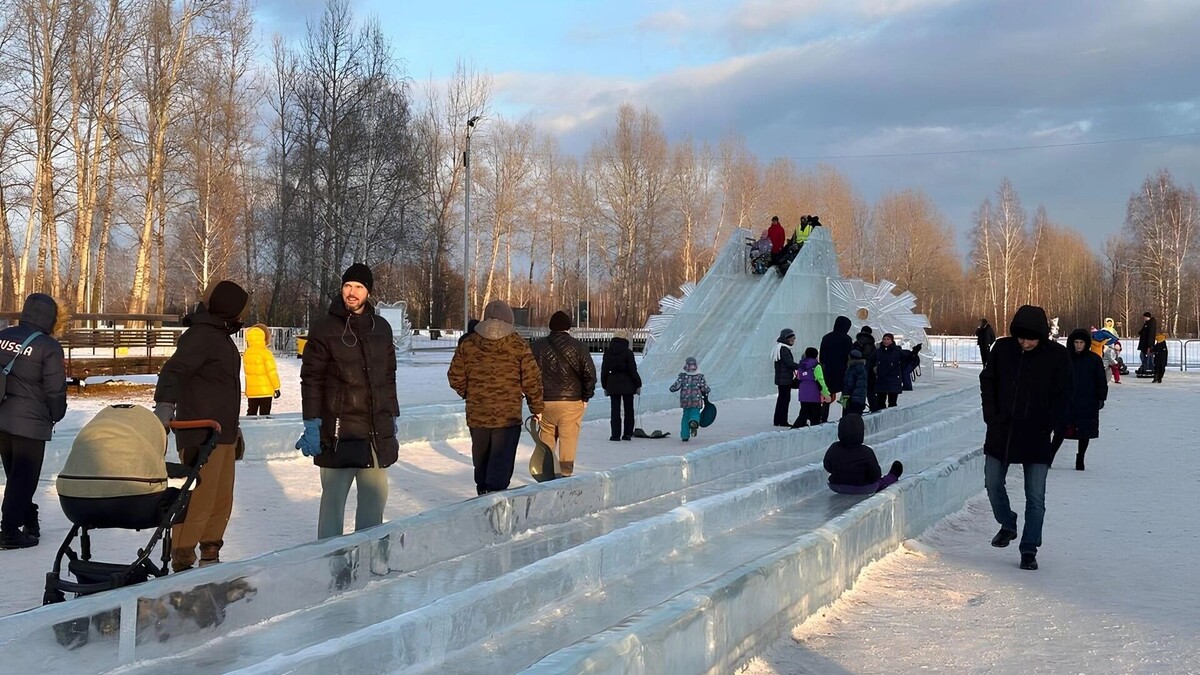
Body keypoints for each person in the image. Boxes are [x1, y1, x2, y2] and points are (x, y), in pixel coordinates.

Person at [296, 264, 400, 539]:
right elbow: (311, 379)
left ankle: (368, 556)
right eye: (348, 286)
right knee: (333, 504)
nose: (352, 292)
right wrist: (312, 422)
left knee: (374, 502)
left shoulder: (381, 328)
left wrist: (391, 415)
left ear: (369, 292)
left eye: (359, 287)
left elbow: (388, 377)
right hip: (338, 432)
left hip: (374, 432)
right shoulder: (324, 328)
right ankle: (331, 558)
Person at [154, 280, 249, 570]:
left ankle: (210, 553)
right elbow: (173, 372)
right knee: (198, 499)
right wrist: (164, 409)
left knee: (220, 500)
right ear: (229, 307)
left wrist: (233, 427)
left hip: (222, 433)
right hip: (200, 433)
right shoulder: (201, 335)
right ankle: (182, 558)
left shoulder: (219, 335)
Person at [980, 304, 1073, 571]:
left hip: (1037, 434)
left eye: (1031, 339)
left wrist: (1051, 424)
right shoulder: (1002, 349)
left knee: (1035, 497)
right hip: (1002, 431)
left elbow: (1065, 393)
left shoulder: (1057, 355)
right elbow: (988, 381)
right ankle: (1007, 523)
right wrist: (992, 415)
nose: (1025, 343)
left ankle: (1029, 548)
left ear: (1041, 336)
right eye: (1021, 338)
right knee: (992, 482)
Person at [448, 299, 544, 494]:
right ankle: (496, 497)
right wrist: (537, 408)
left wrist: (470, 394)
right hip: (507, 416)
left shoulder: (468, 344)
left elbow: (455, 376)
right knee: (501, 461)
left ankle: (483, 491)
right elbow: (531, 380)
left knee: (481, 459)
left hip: (478, 414)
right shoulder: (518, 344)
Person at [0, 294, 67, 550]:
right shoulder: (48, 347)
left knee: (15, 476)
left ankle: (29, 519)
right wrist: (57, 413)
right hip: (31, 422)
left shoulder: (3, 336)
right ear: (51, 317)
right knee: (23, 479)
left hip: (2, 417)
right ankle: (9, 532)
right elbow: (55, 389)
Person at [531, 311, 596, 477]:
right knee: (568, 440)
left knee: (546, 438)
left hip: (545, 401)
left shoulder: (537, 346)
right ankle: (566, 475)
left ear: (550, 326)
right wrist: (586, 397)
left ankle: (547, 473)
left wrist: (534, 401)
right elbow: (589, 374)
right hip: (571, 401)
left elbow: (530, 376)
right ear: (568, 327)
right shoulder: (579, 347)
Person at [1051, 329, 1108, 471]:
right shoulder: (1065, 358)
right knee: (1060, 430)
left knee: (1084, 431)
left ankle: (1080, 457)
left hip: (1087, 400)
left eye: (1081, 342)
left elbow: (1101, 379)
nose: (1078, 345)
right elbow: (1055, 377)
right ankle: (1049, 456)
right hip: (1067, 399)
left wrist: (1101, 397)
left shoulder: (1094, 359)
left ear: (1086, 343)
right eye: (1076, 342)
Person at [823, 413, 903, 494]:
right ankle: (892, 476)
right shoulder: (866, 452)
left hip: (836, 485)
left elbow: (827, 466)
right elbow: (876, 475)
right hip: (863, 488)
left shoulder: (834, 448)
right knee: (879, 482)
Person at [601, 330, 641, 441]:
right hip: (628, 383)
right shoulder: (628, 353)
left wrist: (605, 385)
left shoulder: (608, 353)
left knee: (615, 410)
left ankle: (615, 435)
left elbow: (604, 371)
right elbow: (632, 370)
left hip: (612, 383)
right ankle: (627, 434)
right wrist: (638, 384)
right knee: (629, 410)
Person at [819, 316, 854, 422]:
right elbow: (849, 356)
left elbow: (822, 357)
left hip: (828, 371)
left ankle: (823, 417)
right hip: (843, 371)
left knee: (827, 394)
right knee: (845, 394)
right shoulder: (847, 339)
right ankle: (845, 417)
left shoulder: (826, 337)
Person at [243, 324, 281, 417]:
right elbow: (271, 372)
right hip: (265, 390)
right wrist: (276, 387)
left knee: (251, 413)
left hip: (252, 391)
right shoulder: (266, 353)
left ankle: (249, 427)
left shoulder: (247, 353)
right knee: (264, 415)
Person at [669, 356, 710, 442]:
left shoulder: (683, 376)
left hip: (685, 401)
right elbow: (704, 388)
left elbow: (676, 386)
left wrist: (672, 388)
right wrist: (707, 390)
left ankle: (684, 435)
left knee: (685, 417)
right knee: (695, 414)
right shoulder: (699, 376)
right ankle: (694, 422)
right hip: (696, 400)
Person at [790, 347, 829, 428]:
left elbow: (799, 378)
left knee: (803, 414)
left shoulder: (801, 365)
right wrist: (826, 394)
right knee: (815, 417)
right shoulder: (816, 366)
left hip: (803, 394)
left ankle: (795, 429)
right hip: (814, 394)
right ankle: (814, 432)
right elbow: (820, 380)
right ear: (816, 355)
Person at [772, 328, 799, 427]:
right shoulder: (784, 349)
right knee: (785, 400)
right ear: (785, 338)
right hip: (785, 379)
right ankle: (783, 421)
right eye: (790, 338)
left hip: (781, 378)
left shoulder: (780, 348)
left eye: (793, 338)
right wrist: (802, 366)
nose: (792, 340)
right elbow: (789, 363)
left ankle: (777, 420)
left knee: (781, 399)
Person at [872, 333, 905, 410]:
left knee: (892, 403)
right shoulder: (878, 351)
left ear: (892, 340)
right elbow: (871, 360)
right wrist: (874, 368)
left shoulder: (897, 351)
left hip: (893, 379)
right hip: (881, 380)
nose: (886, 341)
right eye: (884, 339)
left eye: (888, 339)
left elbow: (905, 360)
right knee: (880, 402)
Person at [854, 325, 877, 411]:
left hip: (856, 370)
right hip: (869, 371)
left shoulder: (856, 343)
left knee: (858, 391)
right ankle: (874, 408)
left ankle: (859, 409)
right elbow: (874, 357)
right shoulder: (871, 344)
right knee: (870, 391)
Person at [841, 349, 869, 415]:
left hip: (851, 399)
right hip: (861, 400)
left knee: (848, 418)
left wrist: (844, 398)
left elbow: (849, 385)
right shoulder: (863, 368)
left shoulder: (852, 369)